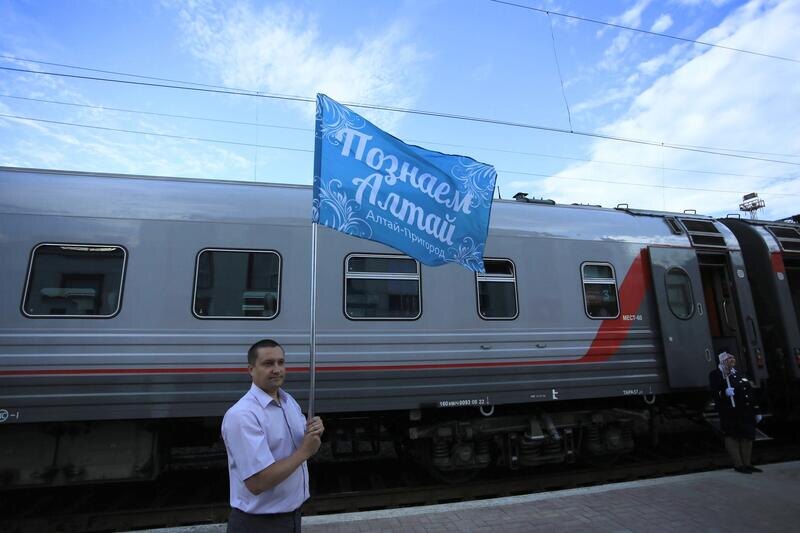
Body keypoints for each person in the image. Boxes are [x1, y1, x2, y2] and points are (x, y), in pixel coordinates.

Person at [222, 339, 324, 532]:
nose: (277, 369)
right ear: (251, 369)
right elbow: (257, 482)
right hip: (259, 525)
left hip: (291, 518)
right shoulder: (243, 416)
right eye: (268, 364)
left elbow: (301, 444)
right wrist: (305, 452)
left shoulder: (288, 402)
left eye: (281, 362)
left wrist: (313, 431)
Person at [708, 351, 763, 474]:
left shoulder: (739, 373)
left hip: (746, 410)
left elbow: (749, 392)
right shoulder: (716, 374)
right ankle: (738, 465)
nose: (733, 360)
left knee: (747, 437)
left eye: (733, 358)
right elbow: (714, 392)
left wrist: (756, 410)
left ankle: (747, 463)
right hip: (730, 411)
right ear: (722, 361)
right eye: (729, 358)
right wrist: (724, 393)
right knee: (732, 436)